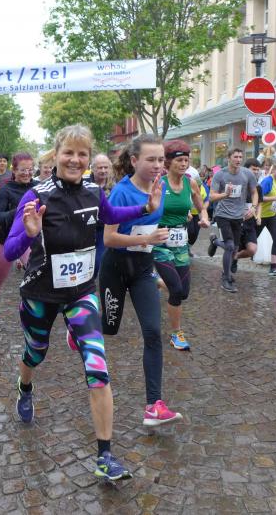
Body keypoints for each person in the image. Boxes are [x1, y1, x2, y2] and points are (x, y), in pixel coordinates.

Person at [3, 124, 162, 481]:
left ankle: (105, 455)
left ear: (89, 158)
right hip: (41, 294)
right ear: (56, 154)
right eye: (69, 153)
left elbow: (109, 215)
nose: (75, 160)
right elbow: (10, 250)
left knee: (97, 368)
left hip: (81, 293)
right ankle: (25, 387)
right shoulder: (36, 196)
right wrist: (28, 234)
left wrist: (144, 207)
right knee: (35, 353)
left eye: (82, 154)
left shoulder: (93, 189)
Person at [100, 133, 183, 426]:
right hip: (115, 268)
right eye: (151, 159)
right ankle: (79, 324)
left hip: (143, 270)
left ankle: (153, 406)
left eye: (161, 159)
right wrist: (147, 238)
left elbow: (153, 228)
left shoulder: (161, 187)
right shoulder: (121, 193)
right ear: (134, 160)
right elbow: (108, 238)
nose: (158, 165)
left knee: (153, 332)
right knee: (109, 328)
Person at [154, 139, 209, 350]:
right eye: (179, 160)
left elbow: (200, 206)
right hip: (160, 242)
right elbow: (148, 208)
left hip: (181, 243)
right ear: (168, 162)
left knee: (183, 292)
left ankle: (158, 282)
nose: (184, 164)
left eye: (186, 160)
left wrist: (203, 217)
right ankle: (177, 334)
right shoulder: (159, 183)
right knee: (176, 290)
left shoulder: (190, 183)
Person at [0, 152, 36, 320]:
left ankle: (31, 305)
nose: (27, 173)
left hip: (29, 240)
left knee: (35, 272)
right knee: (0, 276)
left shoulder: (37, 187)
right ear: (14, 170)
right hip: (6, 240)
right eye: (23, 170)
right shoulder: (6, 190)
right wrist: (19, 212)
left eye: (30, 169)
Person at [208, 148, 258, 293]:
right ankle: (226, 277)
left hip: (238, 216)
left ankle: (215, 242)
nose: (238, 159)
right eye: (235, 157)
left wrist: (253, 207)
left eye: (240, 157)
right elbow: (211, 197)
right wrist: (225, 194)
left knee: (234, 248)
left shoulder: (247, 174)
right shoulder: (220, 174)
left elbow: (255, 192)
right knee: (230, 246)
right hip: (223, 215)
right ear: (228, 158)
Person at [258, 161, 276, 276]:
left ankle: (274, 267)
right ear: (274, 169)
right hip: (261, 215)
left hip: (273, 214)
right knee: (250, 242)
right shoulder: (267, 181)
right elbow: (259, 197)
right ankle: (233, 259)